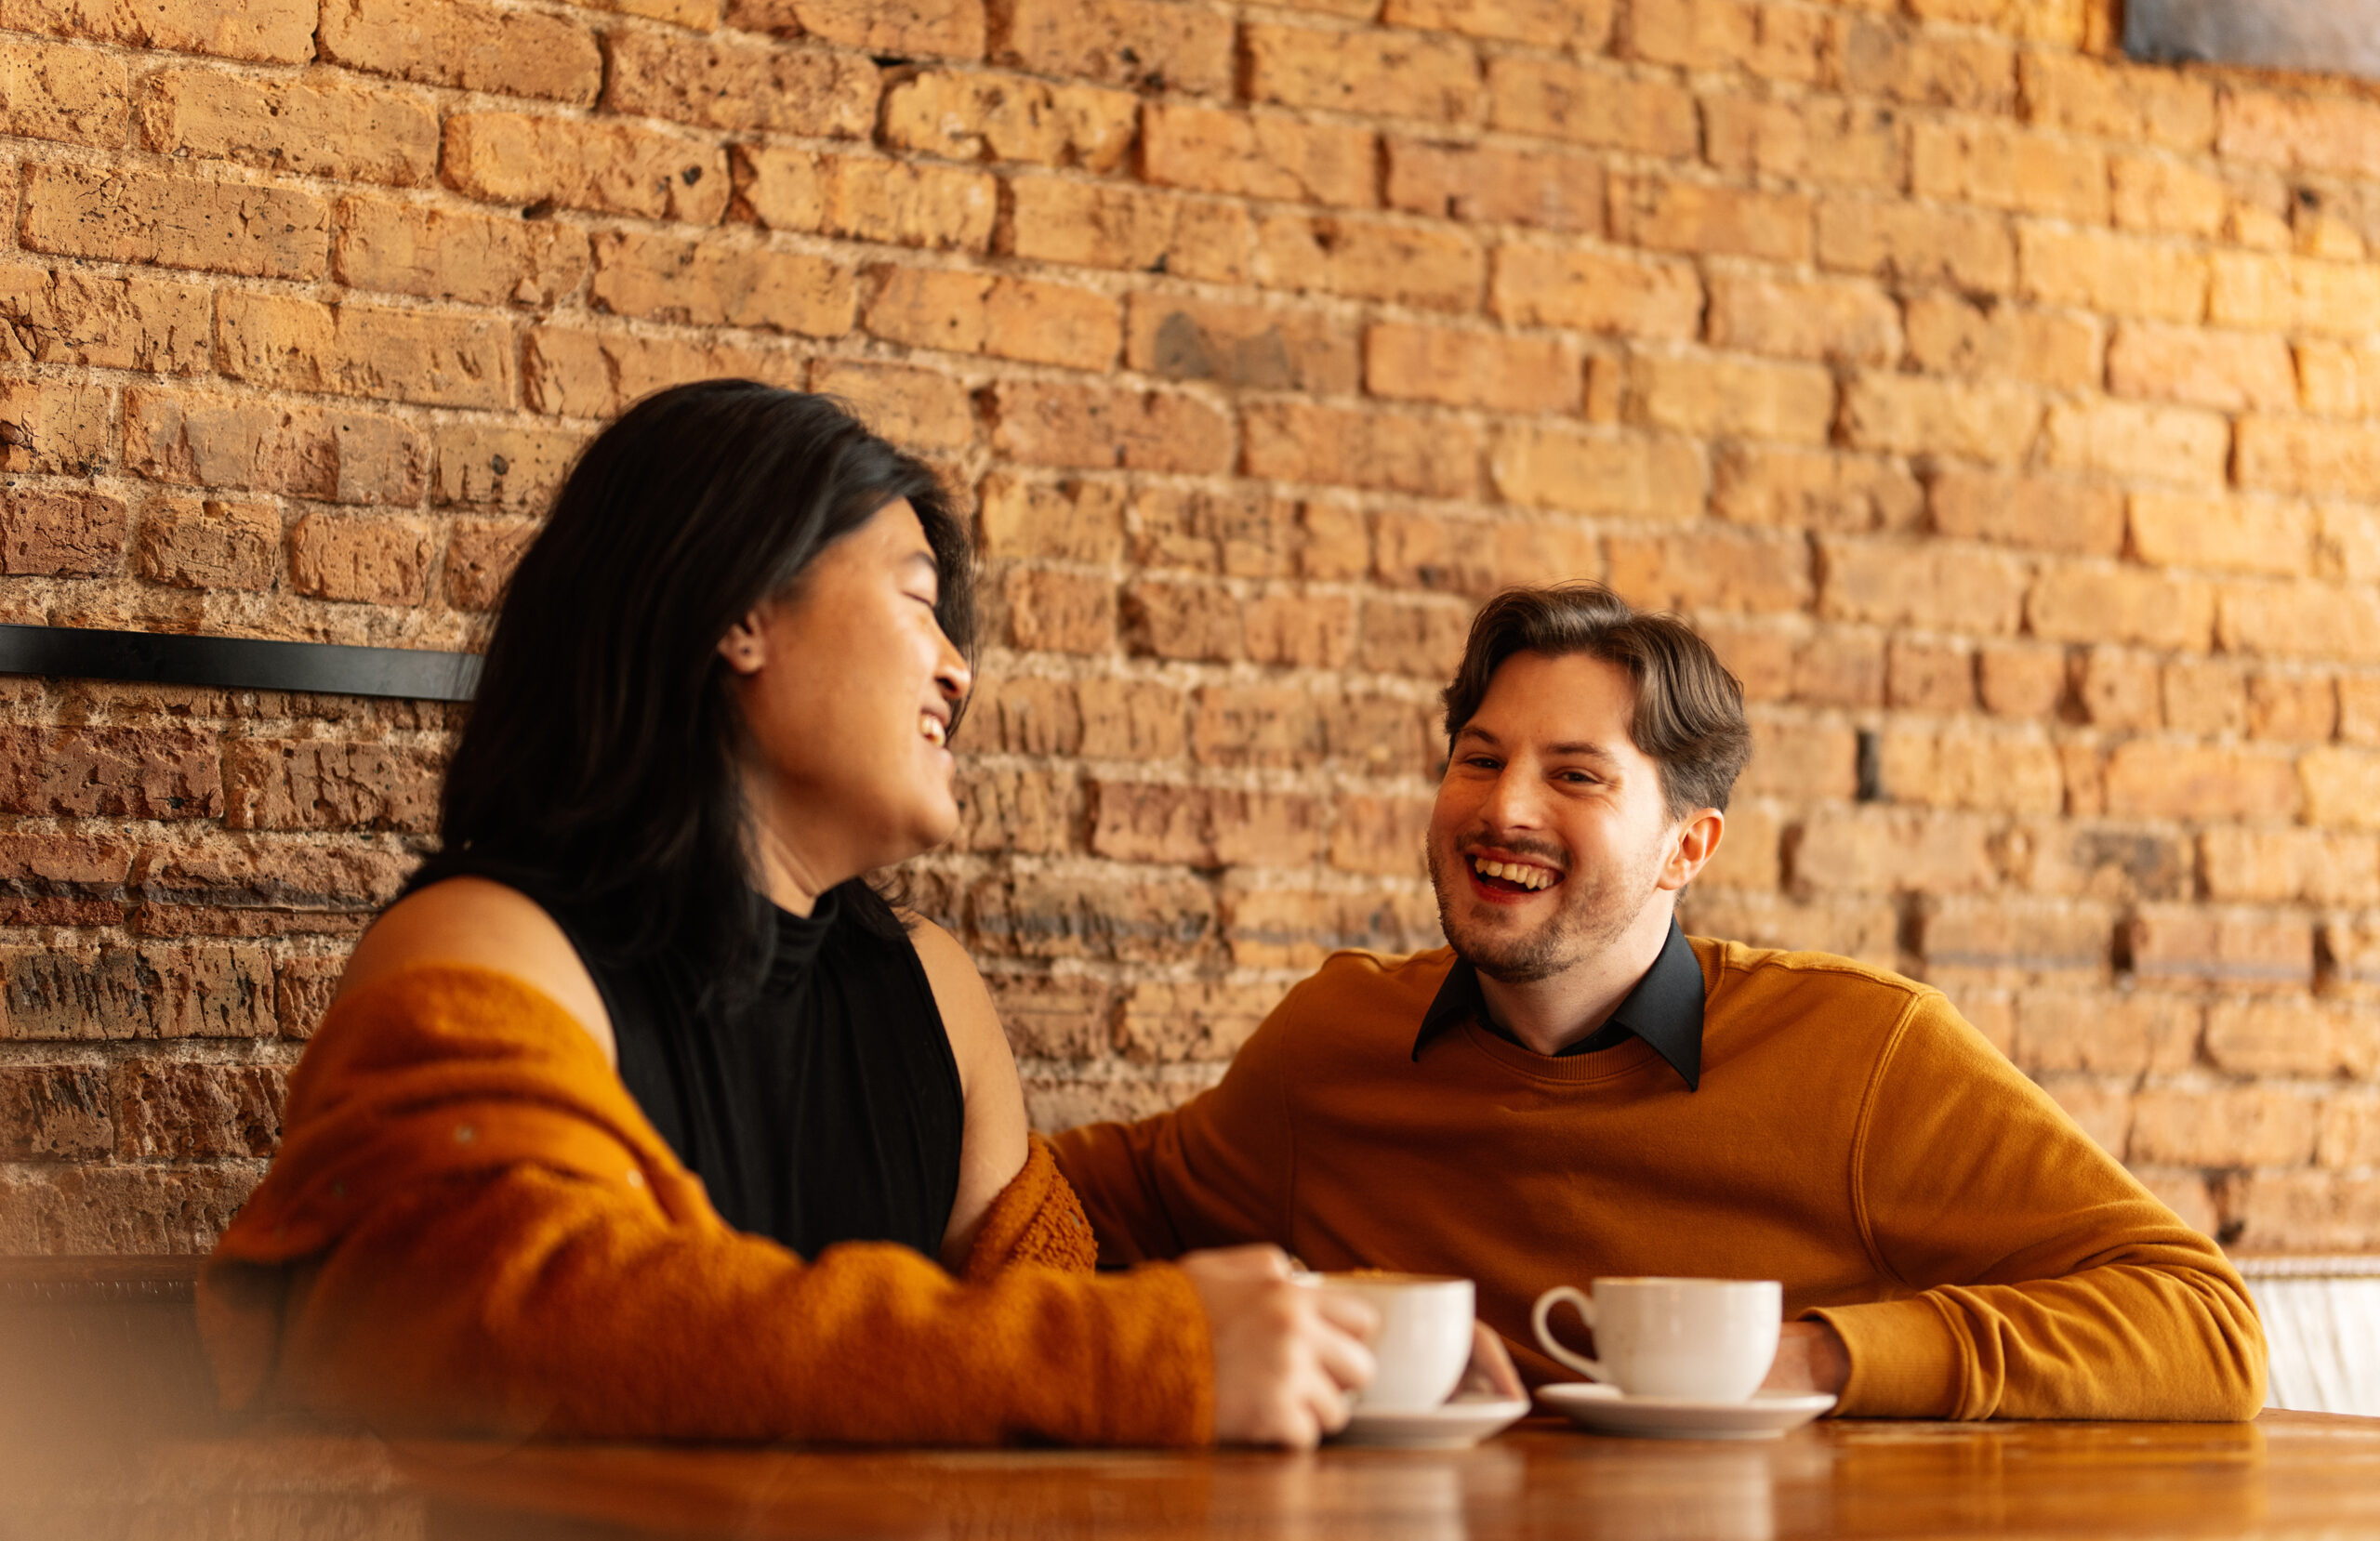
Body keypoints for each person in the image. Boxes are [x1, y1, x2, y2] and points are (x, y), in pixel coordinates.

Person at [198, 381, 1387, 1448]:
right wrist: (1150, 1353)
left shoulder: (932, 989)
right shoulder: (487, 946)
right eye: (917, 603)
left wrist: (1344, 1370)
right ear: (738, 613)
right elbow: (522, 1316)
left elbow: (1040, 1326)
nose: (957, 670)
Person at [1052, 583, 2268, 1420]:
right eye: (1480, 756)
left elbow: (2206, 1320)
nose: (1504, 805)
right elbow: (1080, 1208)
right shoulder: (1332, 1050)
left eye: (1574, 773)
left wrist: (1809, 1356)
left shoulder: (1865, 1055)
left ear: (1689, 846)